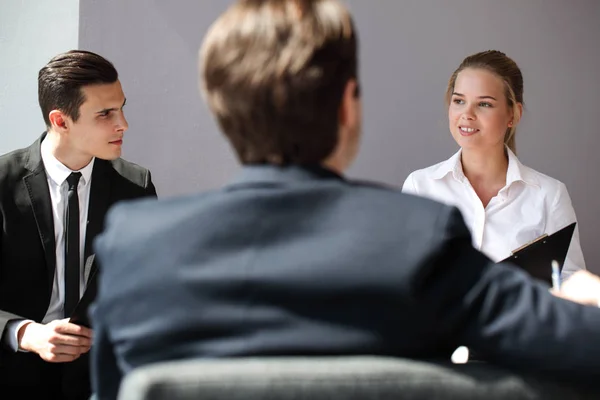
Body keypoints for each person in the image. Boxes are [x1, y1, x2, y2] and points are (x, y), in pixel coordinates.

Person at [91, 1, 600, 399]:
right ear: (347, 106)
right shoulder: (417, 236)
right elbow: (579, 346)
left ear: (220, 108)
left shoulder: (134, 247)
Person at [0, 50, 157, 399]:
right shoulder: (1, 183)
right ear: (61, 121)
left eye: (121, 108)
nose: (123, 124)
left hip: (101, 379)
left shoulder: (136, 185)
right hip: (12, 373)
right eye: (105, 114)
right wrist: (24, 333)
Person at [402, 50, 584, 281]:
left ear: (514, 114)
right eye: (459, 101)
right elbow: (403, 278)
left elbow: (570, 284)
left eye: (484, 104)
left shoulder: (550, 195)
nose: (466, 114)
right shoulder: (420, 187)